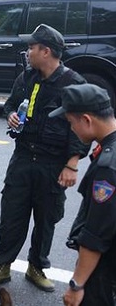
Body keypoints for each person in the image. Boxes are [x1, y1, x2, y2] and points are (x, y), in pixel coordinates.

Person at [0, 24, 90, 292]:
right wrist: (10, 114)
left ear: (46, 51)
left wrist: (72, 164)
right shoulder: (27, 77)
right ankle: (1, 266)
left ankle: (37, 267)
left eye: (31, 47)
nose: (27, 51)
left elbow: (81, 127)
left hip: (53, 164)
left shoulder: (73, 83)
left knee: (46, 218)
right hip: (24, 156)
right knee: (12, 214)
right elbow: (10, 103)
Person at [51, 84, 116, 306]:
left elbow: (96, 234)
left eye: (71, 123)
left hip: (107, 273)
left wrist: (76, 285)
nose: (72, 130)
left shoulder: (107, 168)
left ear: (87, 120)